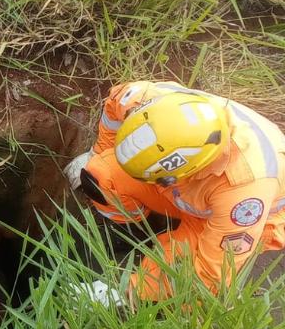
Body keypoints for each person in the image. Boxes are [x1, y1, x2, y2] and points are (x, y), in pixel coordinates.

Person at [64, 81, 285, 303]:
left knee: (174, 266)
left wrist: (127, 291)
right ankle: (136, 232)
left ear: (184, 171)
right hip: (189, 192)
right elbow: (115, 102)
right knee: (102, 175)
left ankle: (139, 294)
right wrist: (99, 152)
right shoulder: (148, 101)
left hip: (235, 218)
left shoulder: (245, 193)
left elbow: (211, 278)